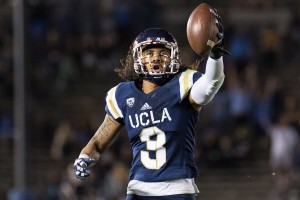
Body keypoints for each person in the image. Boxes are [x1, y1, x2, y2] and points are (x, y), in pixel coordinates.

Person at [73, 9, 230, 200]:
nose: (156, 57)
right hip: (139, 189)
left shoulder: (183, 83)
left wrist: (215, 53)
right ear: (138, 58)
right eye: (150, 52)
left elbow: (210, 84)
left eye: (162, 52)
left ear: (172, 56)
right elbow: (97, 143)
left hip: (178, 188)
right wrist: (84, 158)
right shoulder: (122, 94)